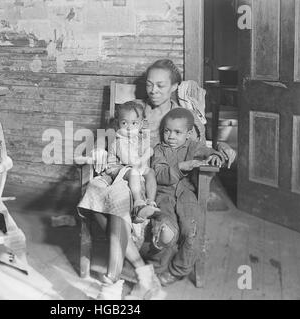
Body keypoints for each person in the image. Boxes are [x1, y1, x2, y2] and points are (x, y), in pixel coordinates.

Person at [77, 59, 237, 299]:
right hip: (124, 171)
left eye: (161, 86)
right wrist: (100, 147)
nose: (153, 90)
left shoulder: (180, 115)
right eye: (150, 85)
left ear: (174, 87)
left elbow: (200, 144)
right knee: (96, 199)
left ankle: (121, 277)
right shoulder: (137, 108)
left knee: (115, 205)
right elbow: (110, 131)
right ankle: (141, 273)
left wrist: (223, 146)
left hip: (152, 179)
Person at [151, 108, 223, 284]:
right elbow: (159, 174)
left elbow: (206, 150)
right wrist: (181, 166)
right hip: (163, 194)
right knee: (165, 228)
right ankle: (157, 267)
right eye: (167, 131)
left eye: (177, 132)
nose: (171, 136)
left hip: (186, 193)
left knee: (191, 230)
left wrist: (214, 155)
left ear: (189, 134)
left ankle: (178, 270)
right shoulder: (159, 150)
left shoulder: (192, 146)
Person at [105, 101, 160, 223]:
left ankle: (150, 202)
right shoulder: (119, 141)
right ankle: (138, 202)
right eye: (124, 123)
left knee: (150, 172)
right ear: (118, 124)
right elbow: (131, 161)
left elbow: (144, 156)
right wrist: (146, 155)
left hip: (135, 166)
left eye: (134, 123)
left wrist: (147, 153)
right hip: (117, 167)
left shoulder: (139, 139)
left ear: (141, 125)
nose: (129, 127)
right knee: (133, 172)